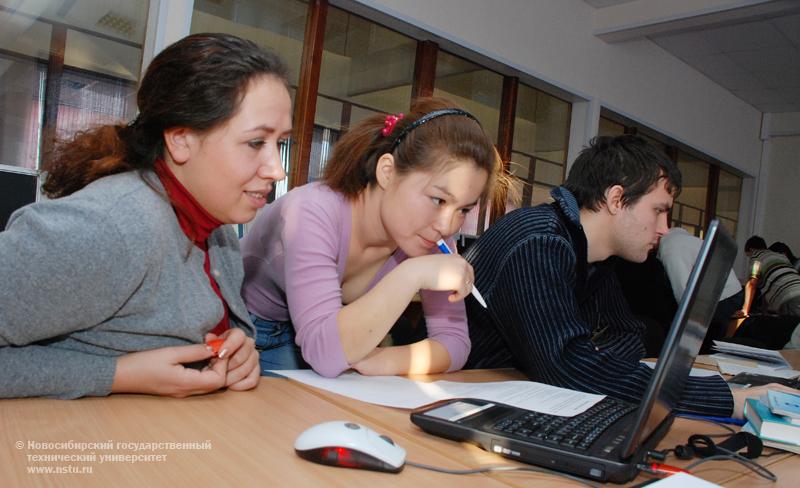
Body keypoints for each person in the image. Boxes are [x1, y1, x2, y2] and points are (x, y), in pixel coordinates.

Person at [0, 33, 292, 399]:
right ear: (181, 139)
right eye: (255, 143)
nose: (277, 171)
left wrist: (241, 350)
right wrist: (115, 374)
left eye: (280, 143)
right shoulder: (111, 228)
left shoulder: (216, 229)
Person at [464, 135, 797, 418]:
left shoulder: (595, 256)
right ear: (616, 199)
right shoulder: (539, 240)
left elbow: (632, 336)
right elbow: (569, 366)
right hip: (467, 400)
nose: (665, 229)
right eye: (659, 210)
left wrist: (593, 358)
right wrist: (728, 399)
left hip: (522, 397)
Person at [240, 98, 501, 377]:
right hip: (243, 329)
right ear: (387, 172)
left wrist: (380, 361)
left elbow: (455, 343)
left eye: (463, 209)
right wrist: (411, 274)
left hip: (325, 338)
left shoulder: (432, 236)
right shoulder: (312, 211)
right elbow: (325, 353)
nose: (447, 226)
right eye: (438, 199)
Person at [658, 226, 744, 349]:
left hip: (721, 297)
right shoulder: (682, 239)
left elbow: (682, 293)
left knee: (702, 346)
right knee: (712, 341)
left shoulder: (669, 249)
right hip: (733, 291)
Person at [741, 236, 800, 318]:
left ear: (751, 249)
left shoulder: (756, 258)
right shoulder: (781, 256)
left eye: (748, 255)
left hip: (789, 298)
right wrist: (764, 311)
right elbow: (772, 285)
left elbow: (752, 284)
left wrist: (745, 310)